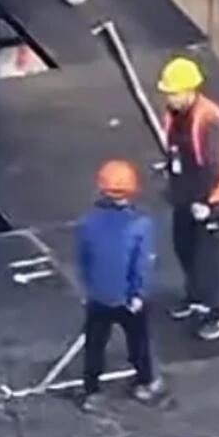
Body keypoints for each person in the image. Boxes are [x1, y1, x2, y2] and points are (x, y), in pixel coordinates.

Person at [74, 159, 164, 406]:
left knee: (95, 344)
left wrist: (88, 289)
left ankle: (91, 390)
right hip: (127, 298)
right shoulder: (140, 224)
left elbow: (84, 259)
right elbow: (140, 263)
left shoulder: (88, 222)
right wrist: (137, 293)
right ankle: (145, 382)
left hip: (98, 296)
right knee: (138, 341)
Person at [160, 55, 219, 340]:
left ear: (190, 91)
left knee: (208, 259)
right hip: (185, 194)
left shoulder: (208, 119)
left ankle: (216, 312)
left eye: (174, 92)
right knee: (184, 247)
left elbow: (213, 167)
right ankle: (194, 296)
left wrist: (204, 203)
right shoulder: (175, 115)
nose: (169, 97)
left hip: (210, 199)